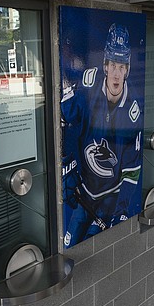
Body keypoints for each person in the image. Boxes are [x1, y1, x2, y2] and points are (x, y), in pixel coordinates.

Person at [60, 23, 142, 248]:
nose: (116, 74)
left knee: (92, 249)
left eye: (121, 66)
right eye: (113, 65)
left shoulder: (133, 111)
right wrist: (66, 165)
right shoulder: (88, 85)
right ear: (105, 66)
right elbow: (64, 119)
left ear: (127, 69)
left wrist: (121, 209)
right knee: (69, 246)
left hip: (110, 197)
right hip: (84, 191)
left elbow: (131, 171)